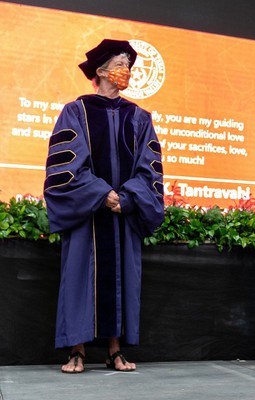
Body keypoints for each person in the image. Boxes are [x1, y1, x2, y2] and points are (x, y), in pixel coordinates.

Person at [43, 39, 165, 373]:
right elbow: (65, 166)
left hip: (121, 215)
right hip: (87, 213)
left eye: (128, 65)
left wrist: (127, 198)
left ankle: (114, 350)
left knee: (121, 278)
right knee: (79, 278)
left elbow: (149, 167)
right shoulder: (76, 111)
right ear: (101, 72)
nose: (126, 70)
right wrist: (100, 193)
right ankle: (77, 351)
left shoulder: (139, 117)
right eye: (120, 64)